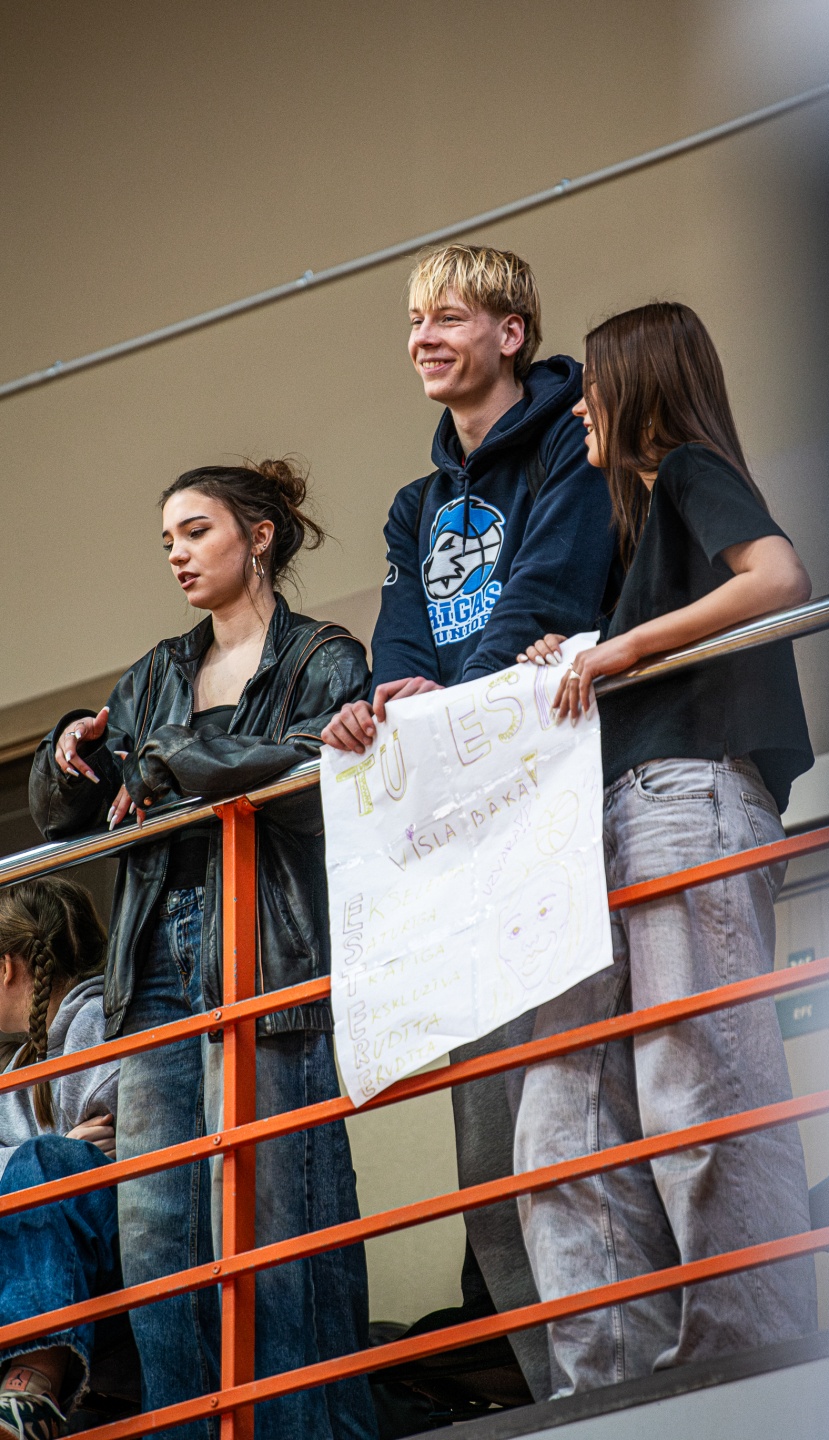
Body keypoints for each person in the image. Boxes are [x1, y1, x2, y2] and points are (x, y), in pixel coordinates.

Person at [321, 244, 618, 1401]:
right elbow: (400, 643)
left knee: (575, 1136)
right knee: (490, 1170)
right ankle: (561, 1402)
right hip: (465, 839)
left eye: (447, 317)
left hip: (556, 813)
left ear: (511, 331)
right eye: (412, 323)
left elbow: (551, 593)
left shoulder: (569, 440)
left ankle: (631, 1391)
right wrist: (387, 706)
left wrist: (449, 709)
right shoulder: (416, 506)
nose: (423, 339)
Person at [30, 460, 376, 1440]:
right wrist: (68, 749)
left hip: (263, 957)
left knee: (279, 1222)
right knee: (159, 1243)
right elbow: (65, 814)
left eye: (197, 531)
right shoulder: (154, 674)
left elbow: (319, 771)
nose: (178, 554)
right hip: (153, 973)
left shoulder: (322, 656)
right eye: (168, 541)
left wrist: (174, 757)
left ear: (258, 536)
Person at [513, 302, 818, 1396]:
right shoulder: (640, 526)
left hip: (689, 792)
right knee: (562, 1128)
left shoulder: (688, 466)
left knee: (699, 1090)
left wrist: (621, 650)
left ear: (637, 385)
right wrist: (588, 649)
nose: (578, 410)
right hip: (622, 807)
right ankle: (608, 1385)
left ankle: (753, 1366)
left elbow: (778, 578)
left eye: (592, 388)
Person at [0, 876, 119, 1440]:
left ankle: (31, 1387)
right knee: (42, 1162)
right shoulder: (18, 1066)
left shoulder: (99, 1021)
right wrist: (65, 1146)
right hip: (46, 1260)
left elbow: (133, 1132)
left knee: (45, 1168)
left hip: (111, 1258)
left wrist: (53, 1159)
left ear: (5, 968)